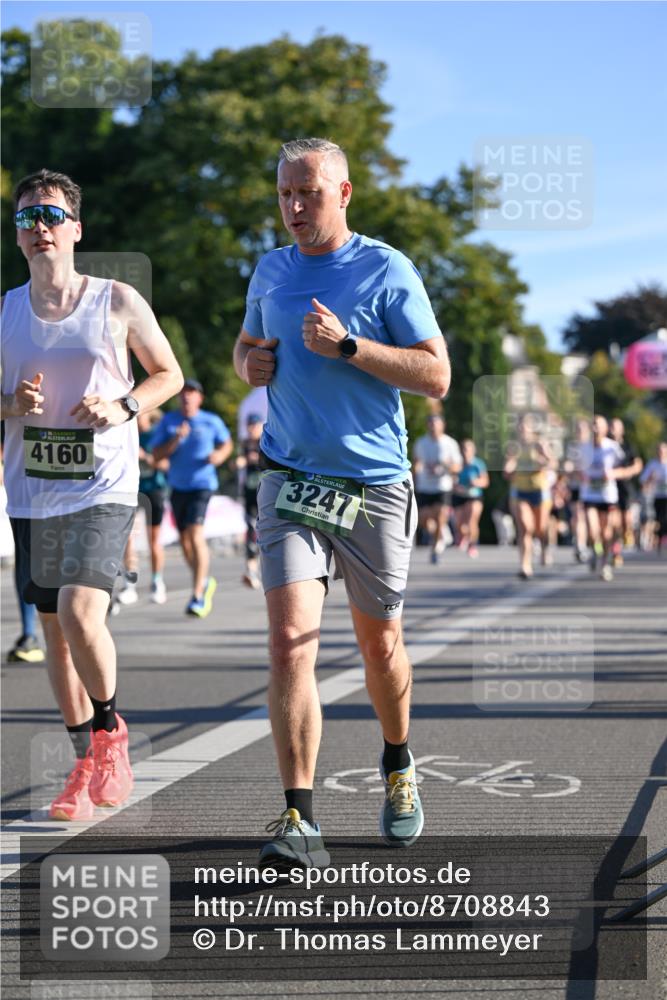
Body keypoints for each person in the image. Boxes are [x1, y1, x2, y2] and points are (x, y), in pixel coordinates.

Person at [233, 137, 450, 867]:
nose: (294, 208)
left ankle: (397, 762)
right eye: (284, 195)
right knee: (290, 642)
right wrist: (248, 361)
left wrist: (351, 346)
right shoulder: (269, 268)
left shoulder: (386, 268)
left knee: (377, 644)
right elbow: (244, 347)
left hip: (373, 488)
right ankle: (299, 819)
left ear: (344, 193)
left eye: (309, 194)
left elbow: (435, 375)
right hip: (291, 480)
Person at [1, 169, 183, 820]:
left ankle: (110, 730)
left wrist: (124, 404)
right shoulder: (6, 310)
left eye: (50, 215)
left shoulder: (116, 300)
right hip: (31, 492)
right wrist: (10, 403)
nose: (39, 227)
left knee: (81, 613)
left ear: (76, 228)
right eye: (26, 218)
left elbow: (169, 373)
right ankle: (85, 759)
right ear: (17, 234)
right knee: (53, 633)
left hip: (103, 485)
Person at [151, 378, 232, 617]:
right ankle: (204, 581)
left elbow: (227, 444)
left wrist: (220, 455)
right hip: (178, 486)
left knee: (196, 533)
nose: (187, 397)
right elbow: (156, 455)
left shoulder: (211, 421)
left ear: (199, 398)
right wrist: (176, 439)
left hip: (202, 485)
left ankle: (197, 595)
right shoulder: (169, 421)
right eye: (183, 393)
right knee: (185, 541)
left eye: (191, 393)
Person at [503, 413, 555, 579]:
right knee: (525, 527)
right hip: (520, 490)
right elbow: (507, 468)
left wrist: (543, 462)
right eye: (519, 425)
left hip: (539, 489)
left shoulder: (539, 444)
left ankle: (544, 548)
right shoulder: (514, 446)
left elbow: (553, 462)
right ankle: (525, 565)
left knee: (540, 528)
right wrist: (509, 468)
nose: (522, 428)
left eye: (525, 425)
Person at [413, 414, 462, 564]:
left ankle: (435, 550)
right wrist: (416, 471)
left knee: (440, 516)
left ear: (442, 425)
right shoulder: (421, 443)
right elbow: (416, 463)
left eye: (436, 423)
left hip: (442, 486)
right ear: (428, 425)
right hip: (425, 486)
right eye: (431, 423)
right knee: (423, 520)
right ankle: (441, 536)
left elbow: (457, 467)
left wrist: (447, 465)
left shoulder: (450, 443)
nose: (433, 426)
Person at [580, 415, 624, 581]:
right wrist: (580, 475)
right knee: (593, 530)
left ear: (605, 429)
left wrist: (613, 473)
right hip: (589, 494)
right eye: (592, 425)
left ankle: (604, 564)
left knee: (606, 534)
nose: (595, 428)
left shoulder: (613, 447)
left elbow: (627, 469)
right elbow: (574, 467)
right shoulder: (583, 447)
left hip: (607, 496)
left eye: (598, 425)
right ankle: (595, 551)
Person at [138, 407, 170, 603]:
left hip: (154, 490)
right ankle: (129, 583)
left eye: (142, 413)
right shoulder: (127, 433)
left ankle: (157, 580)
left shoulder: (156, 434)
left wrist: (146, 457)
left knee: (153, 540)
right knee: (128, 540)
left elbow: (165, 465)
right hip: (132, 490)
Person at [236, 412, 264, 590]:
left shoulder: (267, 443)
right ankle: (251, 570)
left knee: (265, 531)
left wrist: (258, 459)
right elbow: (238, 462)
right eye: (249, 425)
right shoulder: (245, 445)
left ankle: (266, 569)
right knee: (250, 530)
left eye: (255, 425)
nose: (252, 429)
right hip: (249, 494)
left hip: (266, 493)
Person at [609, 417, 643, 563]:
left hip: (625, 488)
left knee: (626, 522)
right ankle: (615, 551)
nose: (612, 429)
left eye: (615, 427)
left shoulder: (628, 446)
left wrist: (626, 472)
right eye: (610, 426)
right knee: (614, 522)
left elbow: (638, 464)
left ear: (621, 430)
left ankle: (624, 539)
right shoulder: (604, 445)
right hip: (610, 488)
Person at [452, 439, 488, 558]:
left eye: (467, 450)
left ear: (473, 451)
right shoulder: (457, 465)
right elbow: (452, 481)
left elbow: (485, 481)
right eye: (463, 450)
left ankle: (472, 545)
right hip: (460, 496)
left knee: (472, 520)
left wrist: (476, 482)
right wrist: (456, 485)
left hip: (474, 495)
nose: (465, 452)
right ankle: (463, 535)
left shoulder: (478, 464)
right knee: (460, 524)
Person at [639, 441, 667, 553]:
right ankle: (658, 539)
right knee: (657, 519)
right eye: (659, 451)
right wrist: (650, 478)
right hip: (656, 496)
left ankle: (662, 539)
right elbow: (642, 480)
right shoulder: (652, 464)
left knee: (665, 519)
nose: (661, 453)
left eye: (664, 450)